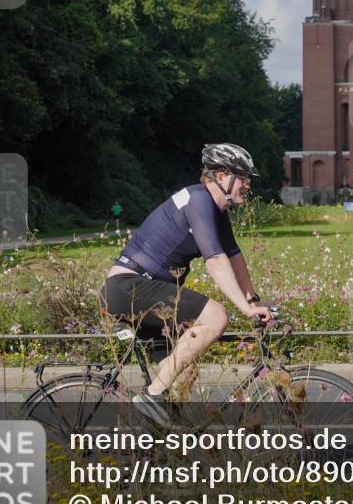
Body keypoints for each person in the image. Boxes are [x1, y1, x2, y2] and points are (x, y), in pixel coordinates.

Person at [100, 143, 276, 423]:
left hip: (140, 292)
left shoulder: (216, 210)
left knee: (185, 371)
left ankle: (159, 438)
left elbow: (234, 257)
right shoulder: (199, 200)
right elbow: (215, 260)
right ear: (221, 177)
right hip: (128, 288)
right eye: (243, 178)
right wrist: (245, 309)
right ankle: (152, 397)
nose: (247, 185)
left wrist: (253, 301)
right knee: (216, 316)